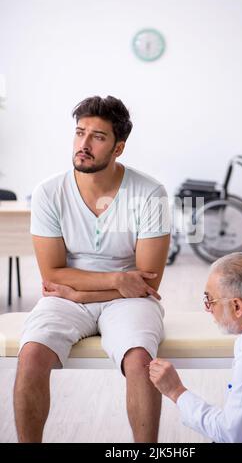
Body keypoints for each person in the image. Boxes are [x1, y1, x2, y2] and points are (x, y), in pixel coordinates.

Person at [14, 95, 170, 443]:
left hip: (128, 301)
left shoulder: (151, 193)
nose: (83, 145)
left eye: (97, 137)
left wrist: (81, 289)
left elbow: (147, 280)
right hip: (70, 297)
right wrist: (116, 279)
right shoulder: (49, 193)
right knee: (31, 354)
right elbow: (53, 273)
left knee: (140, 360)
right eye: (80, 132)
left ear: (119, 148)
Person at [149, 252, 242, 443]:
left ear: (237, 306)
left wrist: (176, 391)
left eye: (210, 300)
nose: (207, 308)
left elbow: (229, 434)